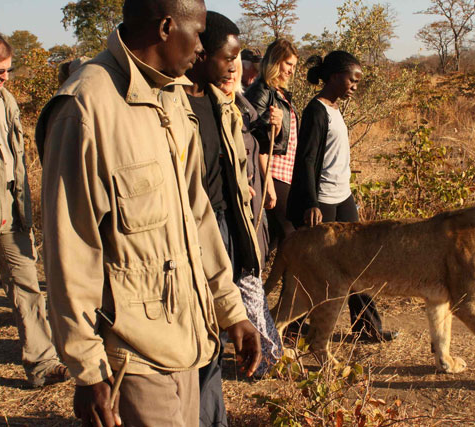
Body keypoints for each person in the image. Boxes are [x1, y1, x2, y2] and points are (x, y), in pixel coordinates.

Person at [35, 1, 261, 426]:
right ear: (165, 27)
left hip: (187, 340)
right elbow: (70, 250)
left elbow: (199, 217)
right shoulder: (85, 108)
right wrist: (86, 369)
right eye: (197, 33)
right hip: (131, 355)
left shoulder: (173, 97)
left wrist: (232, 310)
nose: (201, 47)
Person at [184, 13, 281, 424]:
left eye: (238, 57)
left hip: (225, 225)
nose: (234, 64)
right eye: (228, 55)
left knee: (212, 335)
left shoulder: (221, 104)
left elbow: (231, 174)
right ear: (200, 52)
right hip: (188, 232)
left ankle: (214, 417)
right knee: (197, 334)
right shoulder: (170, 106)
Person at [287, 51, 399, 343]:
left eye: (358, 81)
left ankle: (367, 327)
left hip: (342, 195)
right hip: (323, 200)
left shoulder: (335, 109)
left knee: (360, 264)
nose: (355, 85)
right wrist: (310, 202)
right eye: (353, 79)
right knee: (314, 267)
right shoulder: (316, 111)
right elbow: (307, 159)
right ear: (335, 76)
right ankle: (293, 327)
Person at [0, 32, 70, 389]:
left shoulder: (7, 100)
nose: (4, 77)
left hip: (11, 211)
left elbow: (17, 161)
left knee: (27, 285)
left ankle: (42, 364)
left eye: (7, 70)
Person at [245, 39, 299, 250]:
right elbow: (256, 140)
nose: (291, 71)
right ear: (275, 61)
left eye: (294, 66)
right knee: (288, 234)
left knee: (277, 237)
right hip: (272, 173)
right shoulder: (262, 92)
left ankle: (266, 281)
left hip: (285, 173)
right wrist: (268, 186)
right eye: (288, 64)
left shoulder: (279, 92)